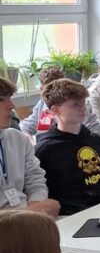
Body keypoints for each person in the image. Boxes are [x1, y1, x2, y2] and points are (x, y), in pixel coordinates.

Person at [35, 79, 100, 216]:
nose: (82, 108)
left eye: (83, 102)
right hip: (75, 212)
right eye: (75, 105)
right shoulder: (45, 150)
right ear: (55, 110)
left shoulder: (95, 140)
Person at [0, 78, 60, 219]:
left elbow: (35, 178)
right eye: (1, 100)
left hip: (26, 215)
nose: (11, 105)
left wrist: (36, 205)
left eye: (10, 98)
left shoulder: (17, 138)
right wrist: (31, 212)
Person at [19, 65, 100, 142]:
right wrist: (32, 142)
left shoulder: (78, 105)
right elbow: (26, 126)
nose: (53, 93)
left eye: (59, 89)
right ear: (41, 90)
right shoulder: (42, 104)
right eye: (49, 89)